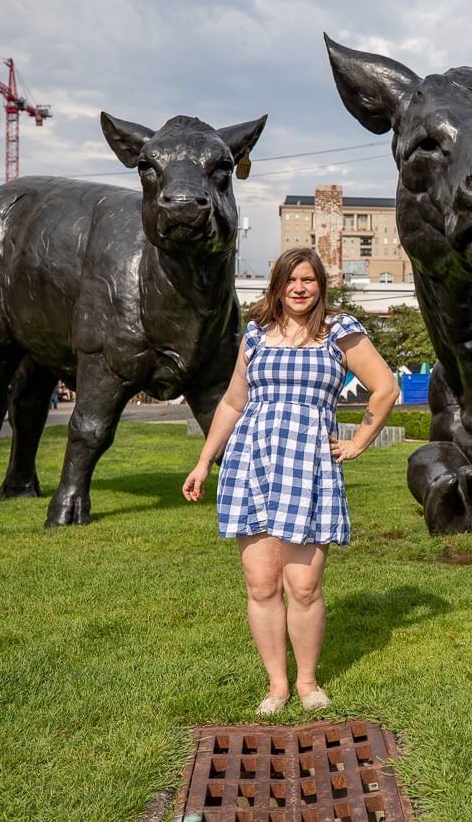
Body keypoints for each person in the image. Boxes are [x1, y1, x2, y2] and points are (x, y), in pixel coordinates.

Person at [182, 248, 398, 716]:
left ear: (321, 285)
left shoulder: (339, 331)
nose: (299, 288)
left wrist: (359, 441)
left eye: (309, 280)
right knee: (261, 584)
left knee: (302, 584)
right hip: (251, 464)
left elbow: (386, 387)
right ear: (277, 285)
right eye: (290, 280)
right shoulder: (256, 335)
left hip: (310, 468)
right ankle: (277, 685)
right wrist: (203, 462)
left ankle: (307, 682)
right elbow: (232, 404)